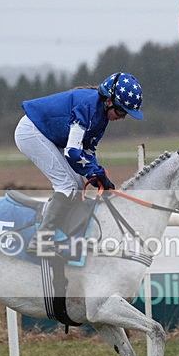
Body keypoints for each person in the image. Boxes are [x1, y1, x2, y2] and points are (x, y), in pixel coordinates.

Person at [14, 72, 143, 256]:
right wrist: (94, 173)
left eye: (126, 114)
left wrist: (100, 177)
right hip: (31, 132)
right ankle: (41, 241)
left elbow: (88, 153)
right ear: (108, 101)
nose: (122, 117)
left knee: (78, 185)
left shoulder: (101, 117)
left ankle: (61, 235)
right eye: (121, 111)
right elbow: (73, 152)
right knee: (66, 185)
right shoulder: (88, 105)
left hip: (48, 136)